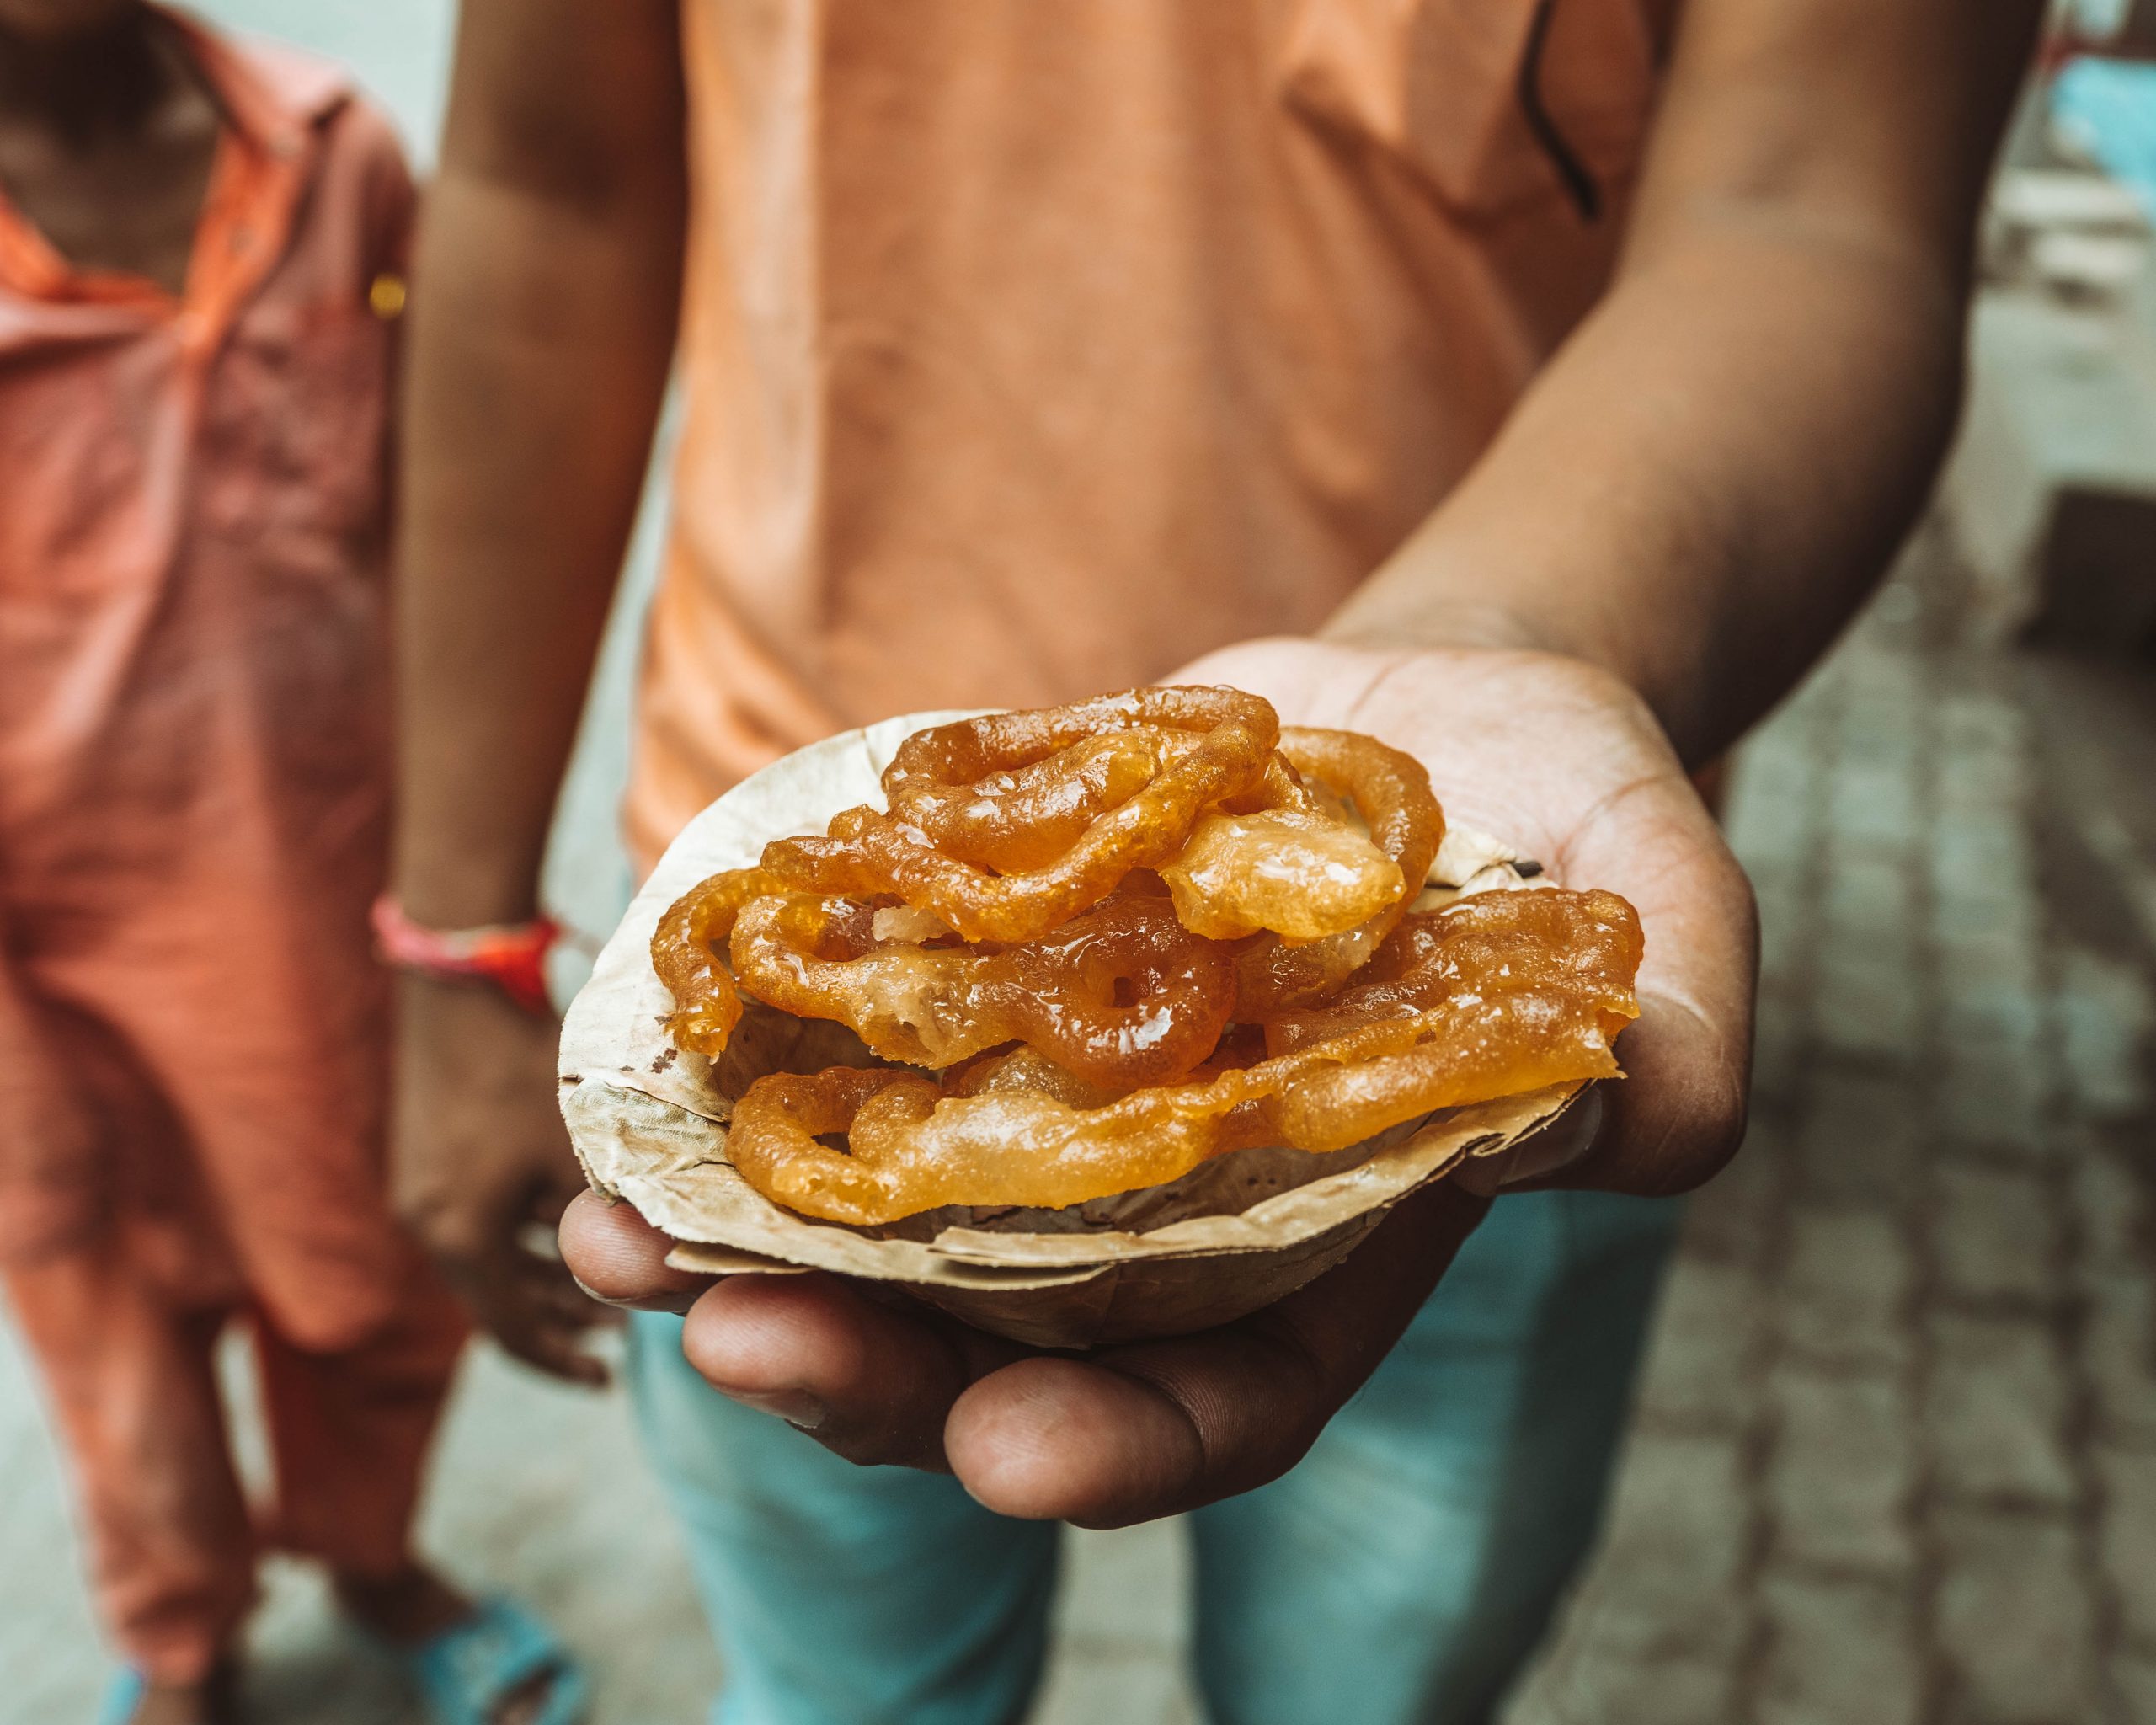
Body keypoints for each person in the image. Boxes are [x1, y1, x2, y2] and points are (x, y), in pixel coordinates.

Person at [387, 2, 2041, 1720]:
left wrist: (1494, 634)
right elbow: (544, 181)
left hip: (1460, 1018)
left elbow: (1814, 205)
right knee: (837, 1688)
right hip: (767, 986)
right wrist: (456, 933)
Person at [0, 6, 586, 1722]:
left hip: (322, 884)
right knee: (110, 1325)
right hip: (42, 944)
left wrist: (465, 916)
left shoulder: (336, 159)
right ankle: (180, 1640)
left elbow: (444, 505)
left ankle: (369, 1552)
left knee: (377, 1280)